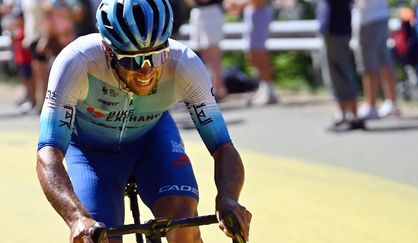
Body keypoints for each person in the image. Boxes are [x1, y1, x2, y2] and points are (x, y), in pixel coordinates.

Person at [35, 0, 252, 243]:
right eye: (132, 60)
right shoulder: (76, 62)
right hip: (91, 155)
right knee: (95, 237)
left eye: (157, 57)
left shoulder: (185, 64)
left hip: (152, 141)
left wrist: (228, 197)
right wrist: (76, 218)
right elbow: (48, 153)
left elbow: (222, 146)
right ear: (108, 50)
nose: (146, 72)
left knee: (183, 224)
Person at [316, 0, 365, 131]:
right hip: (332, 27)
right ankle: (343, 113)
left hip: (337, 28)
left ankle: (353, 115)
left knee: (342, 72)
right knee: (334, 74)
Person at [352, 0, 400, 119]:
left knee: (369, 64)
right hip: (380, 16)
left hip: (368, 18)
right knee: (383, 61)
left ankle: (371, 105)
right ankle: (391, 102)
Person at [224, 0, 277, 106]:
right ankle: (263, 88)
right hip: (251, 13)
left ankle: (269, 91)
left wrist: (240, 4)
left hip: (259, 13)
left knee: (260, 54)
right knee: (252, 55)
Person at [186, 0, 227, 101]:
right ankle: (212, 88)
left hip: (210, 13)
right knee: (205, 56)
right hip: (198, 12)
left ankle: (219, 90)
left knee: (213, 55)